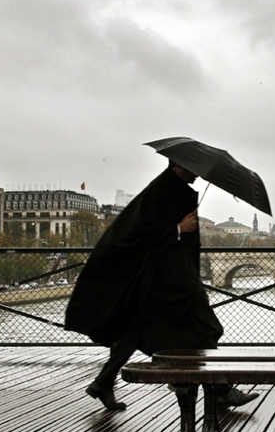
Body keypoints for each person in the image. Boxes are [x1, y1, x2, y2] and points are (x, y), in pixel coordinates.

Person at [65, 160, 258, 410]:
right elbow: (139, 232)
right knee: (205, 327)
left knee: (136, 330)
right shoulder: (163, 189)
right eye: (193, 168)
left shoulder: (171, 187)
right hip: (168, 280)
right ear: (179, 164)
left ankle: (103, 382)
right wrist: (179, 228)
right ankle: (220, 389)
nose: (198, 174)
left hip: (165, 277)